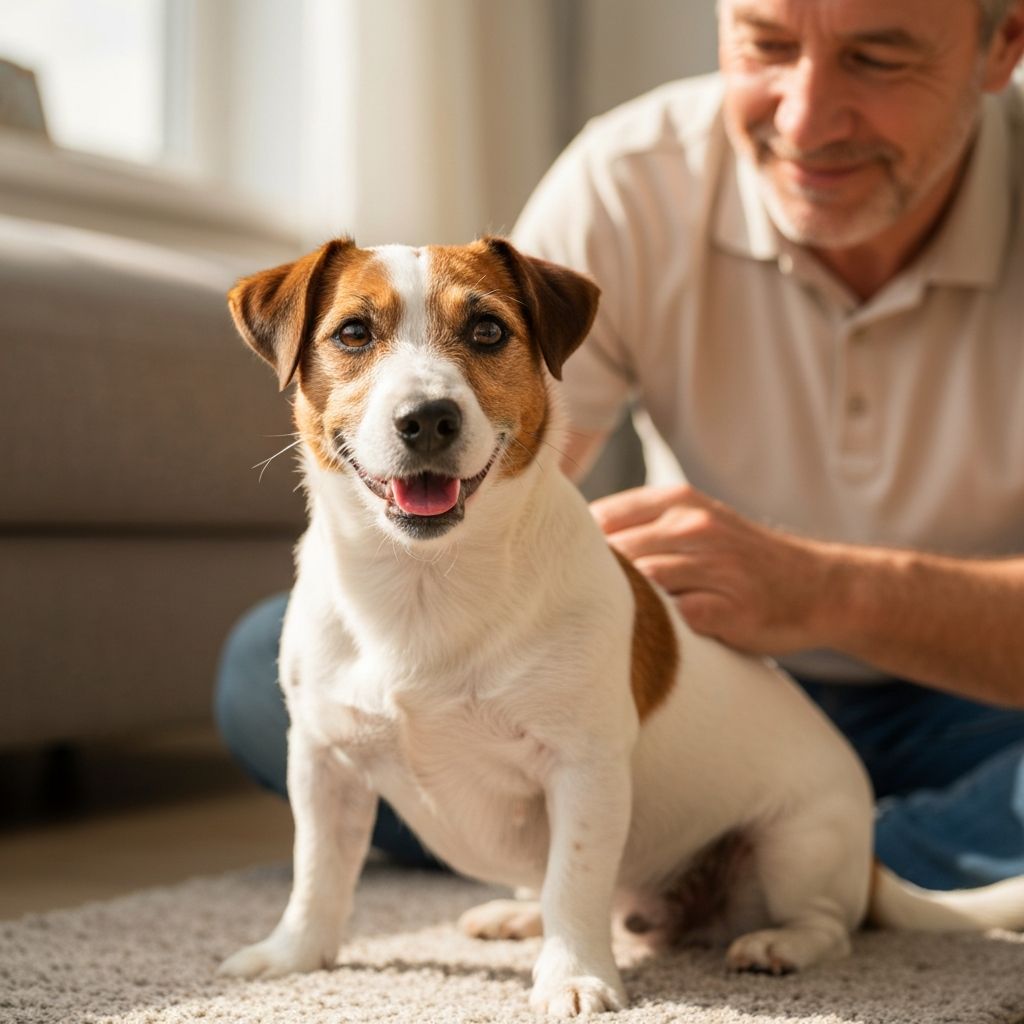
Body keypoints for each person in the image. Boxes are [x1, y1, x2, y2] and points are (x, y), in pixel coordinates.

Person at [216, 0, 1024, 887]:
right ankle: (774, 858)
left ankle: (819, 859)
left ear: (1004, 45)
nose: (805, 117)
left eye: (878, 57)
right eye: (767, 44)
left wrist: (829, 592)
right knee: (275, 671)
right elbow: (499, 458)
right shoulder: (629, 177)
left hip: (988, 699)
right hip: (700, 685)